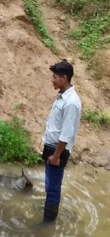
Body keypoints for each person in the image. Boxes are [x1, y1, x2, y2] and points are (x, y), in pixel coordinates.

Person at [42, 60, 81, 223]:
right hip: (52, 147)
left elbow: (66, 133)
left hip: (58, 150)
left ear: (64, 78)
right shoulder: (62, 97)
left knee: (53, 187)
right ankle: (48, 211)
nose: (52, 79)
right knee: (50, 184)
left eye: (55, 77)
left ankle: (48, 221)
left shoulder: (71, 102)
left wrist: (56, 155)